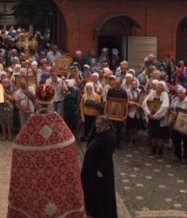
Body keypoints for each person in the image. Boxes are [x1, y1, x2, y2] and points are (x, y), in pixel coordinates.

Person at [8, 84, 85, 218]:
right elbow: (71, 155)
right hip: (57, 188)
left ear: (37, 103)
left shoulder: (30, 126)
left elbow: (18, 150)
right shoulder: (60, 126)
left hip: (35, 188)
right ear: (52, 103)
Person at [81, 115, 117, 218]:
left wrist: (101, 169)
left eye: (99, 126)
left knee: (101, 192)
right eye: (96, 125)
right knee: (91, 188)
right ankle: (91, 209)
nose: (97, 128)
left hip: (101, 170)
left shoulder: (111, 137)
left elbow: (107, 155)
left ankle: (100, 213)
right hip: (91, 166)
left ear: (106, 125)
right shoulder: (100, 131)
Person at [142, 80, 170, 158]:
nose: (158, 88)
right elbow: (144, 103)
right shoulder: (152, 93)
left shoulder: (165, 95)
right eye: (158, 86)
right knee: (153, 134)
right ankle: (153, 149)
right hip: (151, 117)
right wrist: (148, 113)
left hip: (160, 119)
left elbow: (164, 107)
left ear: (163, 88)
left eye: (160, 86)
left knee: (160, 136)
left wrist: (155, 116)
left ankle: (160, 151)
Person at [170, 86, 187, 162]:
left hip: (185, 124)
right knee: (175, 139)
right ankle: (177, 155)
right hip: (175, 122)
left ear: (185, 94)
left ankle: (185, 156)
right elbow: (170, 108)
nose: (179, 95)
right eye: (178, 93)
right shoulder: (175, 100)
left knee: (185, 140)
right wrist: (172, 112)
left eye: (181, 93)